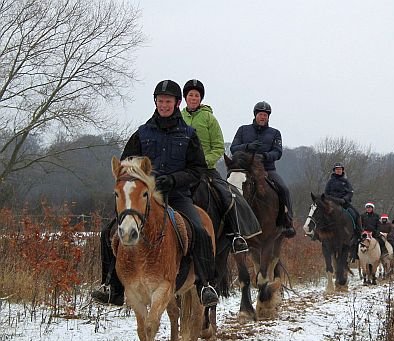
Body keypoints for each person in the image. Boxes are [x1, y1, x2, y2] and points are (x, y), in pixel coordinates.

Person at [91, 79, 218, 307]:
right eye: (160, 101)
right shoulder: (142, 133)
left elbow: (197, 170)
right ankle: (112, 287)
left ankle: (204, 285)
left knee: (200, 231)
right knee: (108, 232)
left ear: (177, 103)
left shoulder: (188, 134)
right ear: (155, 102)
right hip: (144, 197)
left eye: (168, 101)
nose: (164, 105)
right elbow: (126, 165)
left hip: (177, 195)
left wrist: (173, 180)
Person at [181, 79, 252, 254]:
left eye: (197, 95)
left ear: (200, 98)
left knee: (226, 194)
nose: (193, 98)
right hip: (182, 168)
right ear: (185, 97)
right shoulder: (179, 117)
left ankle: (235, 235)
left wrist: (204, 161)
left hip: (206, 169)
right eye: (190, 95)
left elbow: (219, 146)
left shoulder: (209, 118)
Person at [230, 101, 295, 237]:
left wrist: (265, 156)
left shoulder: (275, 133)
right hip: (245, 169)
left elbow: (278, 152)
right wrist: (247, 147)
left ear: (268, 117)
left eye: (265, 115)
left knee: (284, 189)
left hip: (267, 169)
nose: (263, 117)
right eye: (260, 114)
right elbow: (233, 148)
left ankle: (287, 222)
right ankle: (227, 221)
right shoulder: (243, 130)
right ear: (255, 115)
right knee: (228, 186)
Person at [324, 162, 362, 260]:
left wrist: (344, 199)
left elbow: (350, 193)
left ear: (342, 170)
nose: (338, 170)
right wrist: (331, 200)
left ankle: (358, 233)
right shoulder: (330, 182)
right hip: (332, 203)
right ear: (334, 171)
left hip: (344, 203)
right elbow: (326, 193)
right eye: (337, 169)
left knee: (356, 214)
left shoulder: (346, 182)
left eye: (340, 169)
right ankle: (316, 232)